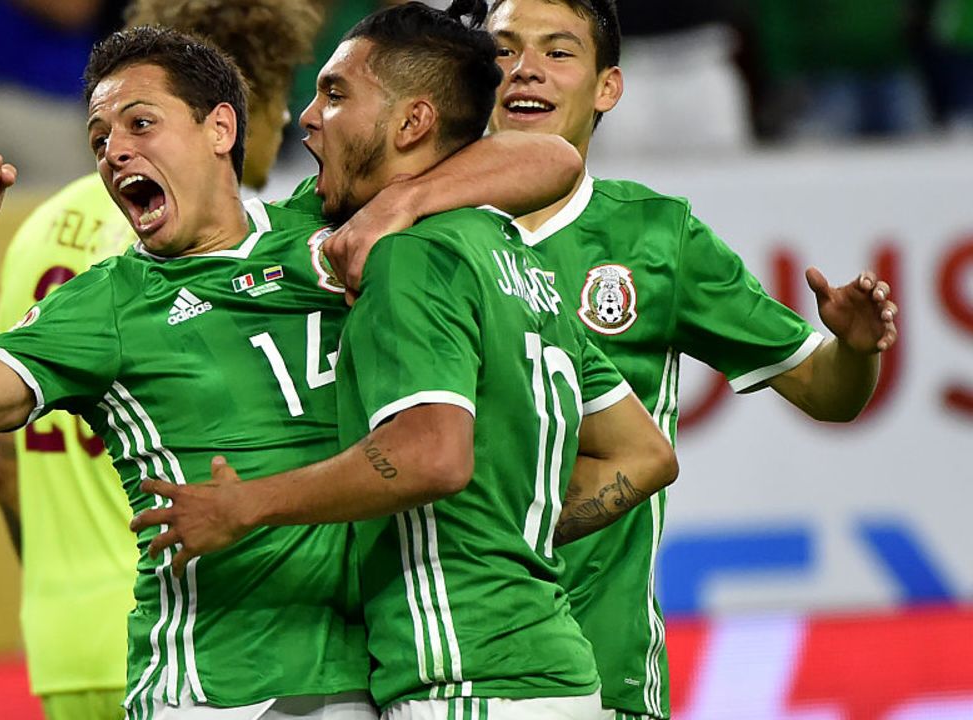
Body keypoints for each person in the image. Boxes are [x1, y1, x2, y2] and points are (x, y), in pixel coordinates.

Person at [0, 22, 585, 718]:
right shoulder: (106, 302)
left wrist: (402, 203)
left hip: (359, 677)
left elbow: (552, 159)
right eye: (99, 139)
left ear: (220, 128)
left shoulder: (322, 229)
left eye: (140, 123)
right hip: (213, 687)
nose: (115, 152)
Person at [130, 4, 677, 719]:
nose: (306, 117)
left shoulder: (407, 257)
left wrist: (249, 505)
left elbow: (432, 459)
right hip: (555, 667)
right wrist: (511, 532)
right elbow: (645, 452)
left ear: (412, 122)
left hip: (463, 678)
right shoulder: (516, 257)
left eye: (335, 93)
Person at [471, 1, 899, 718]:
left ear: (608, 87)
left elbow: (827, 392)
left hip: (602, 675)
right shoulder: (413, 231)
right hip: (439, 668)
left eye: (558, 52)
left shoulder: (656, 239)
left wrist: (853, 352)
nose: (526, 69)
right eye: (504, 49)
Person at [0, 3, 326, 718]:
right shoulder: (179, 242)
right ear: (226, 112)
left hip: (63, 633)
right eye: (276, 97)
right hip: (187, 623)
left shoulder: (35, 231)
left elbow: (6, 460)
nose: (288, 121)